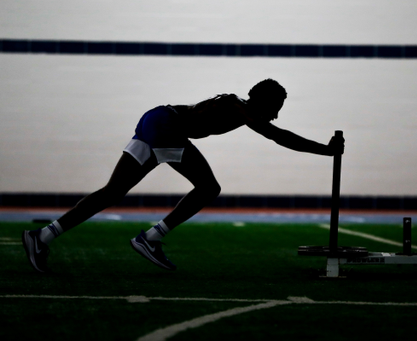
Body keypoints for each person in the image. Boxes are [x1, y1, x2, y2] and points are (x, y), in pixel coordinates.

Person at [21, 79, 345, 273]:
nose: (277, 113)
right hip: (166, 127)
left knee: (112, 193)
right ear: (265, 102)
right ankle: (151, 238)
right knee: (208, 187)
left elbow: (273, 129)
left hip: (156, 119)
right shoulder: (239, 108)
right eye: (277, 106)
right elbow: (278, 135)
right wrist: (325, 150)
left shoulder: (235, 105)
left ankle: (43, 236)